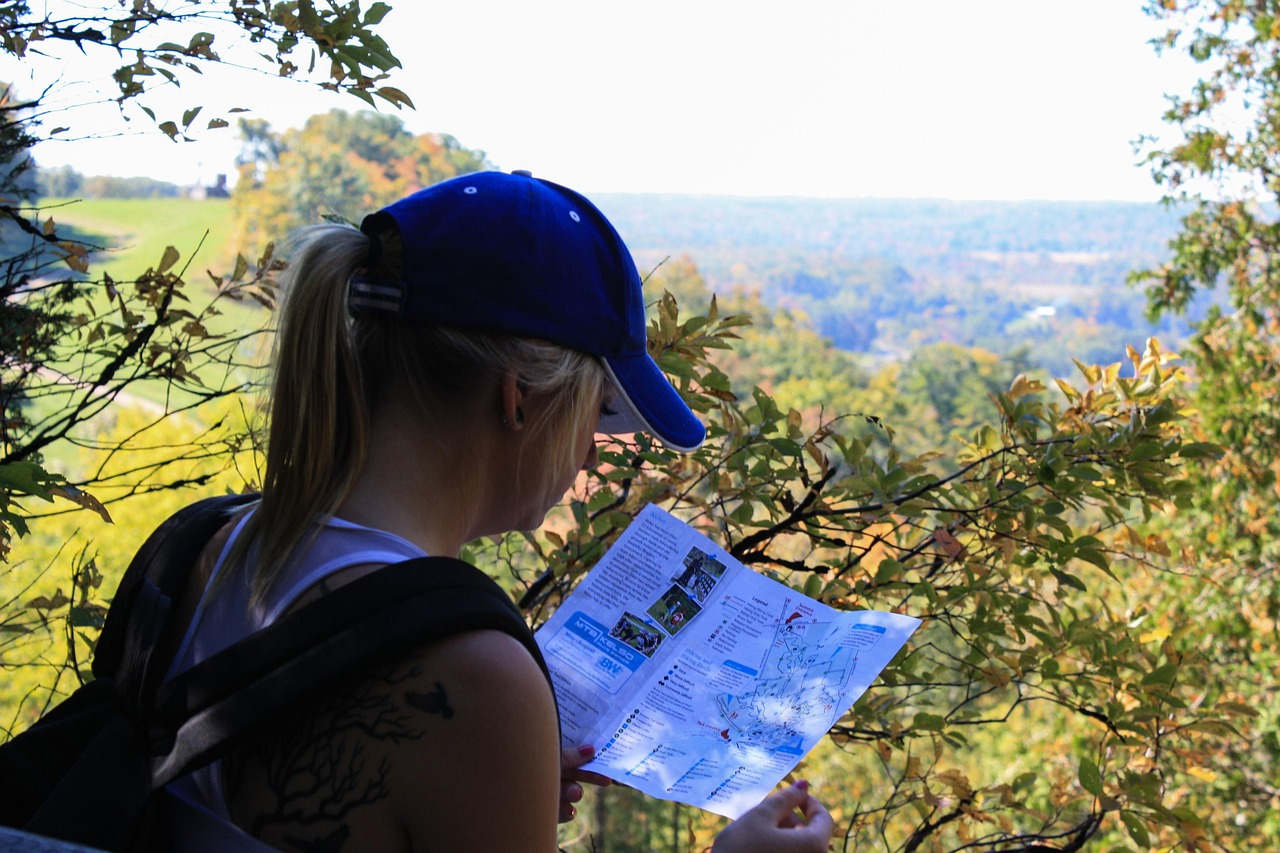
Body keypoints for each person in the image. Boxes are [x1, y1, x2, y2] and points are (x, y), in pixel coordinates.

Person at [160, 169, 835, 852]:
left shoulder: (203, 544)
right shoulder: (473, 673)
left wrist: (492, 786)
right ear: (518, 398)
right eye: (596, 411)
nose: (591, 453)